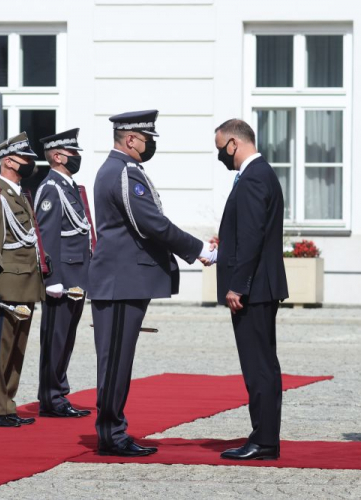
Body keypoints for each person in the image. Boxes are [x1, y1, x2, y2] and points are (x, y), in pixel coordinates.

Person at [89, 110, 213, 457]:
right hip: (120, 282)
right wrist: (198, 248)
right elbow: (152, 223)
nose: (150, 145)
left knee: (118, 360)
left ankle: (113, 431)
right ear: (130, 139)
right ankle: (111, 434)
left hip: (123, 280)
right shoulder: (123, 171)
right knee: (115, 362)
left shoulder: (120, 170)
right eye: (147, 139)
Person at [214, 119, 289, 461]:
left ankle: (264, 440)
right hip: (258, 285)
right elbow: (245, 232)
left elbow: (253, 237)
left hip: (254, 288)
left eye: (220, 147)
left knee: (258, 365)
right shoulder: (257, 175)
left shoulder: (255, 176)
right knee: (261, 363)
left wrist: (237, 286)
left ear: (233, 143)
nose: (219, 154)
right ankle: (264, 435)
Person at [0, 132, 47, 428]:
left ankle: (8, 403)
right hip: (7, 281)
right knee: (2, 347)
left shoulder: (20, 193)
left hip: (26, 279)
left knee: (18, 348)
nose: (30, 163)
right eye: (25, 158)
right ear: (8, 161)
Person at [34, 128, 92, 418]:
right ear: (57, 156)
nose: (77, 157)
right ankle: (51, 397)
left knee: (66, 337)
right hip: (63, 277)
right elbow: (47, 236)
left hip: (77, 275)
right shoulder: (51, 188)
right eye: (72, 153)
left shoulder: (70, 187)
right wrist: (51, 277)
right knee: (56, 337)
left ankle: (58, 393)